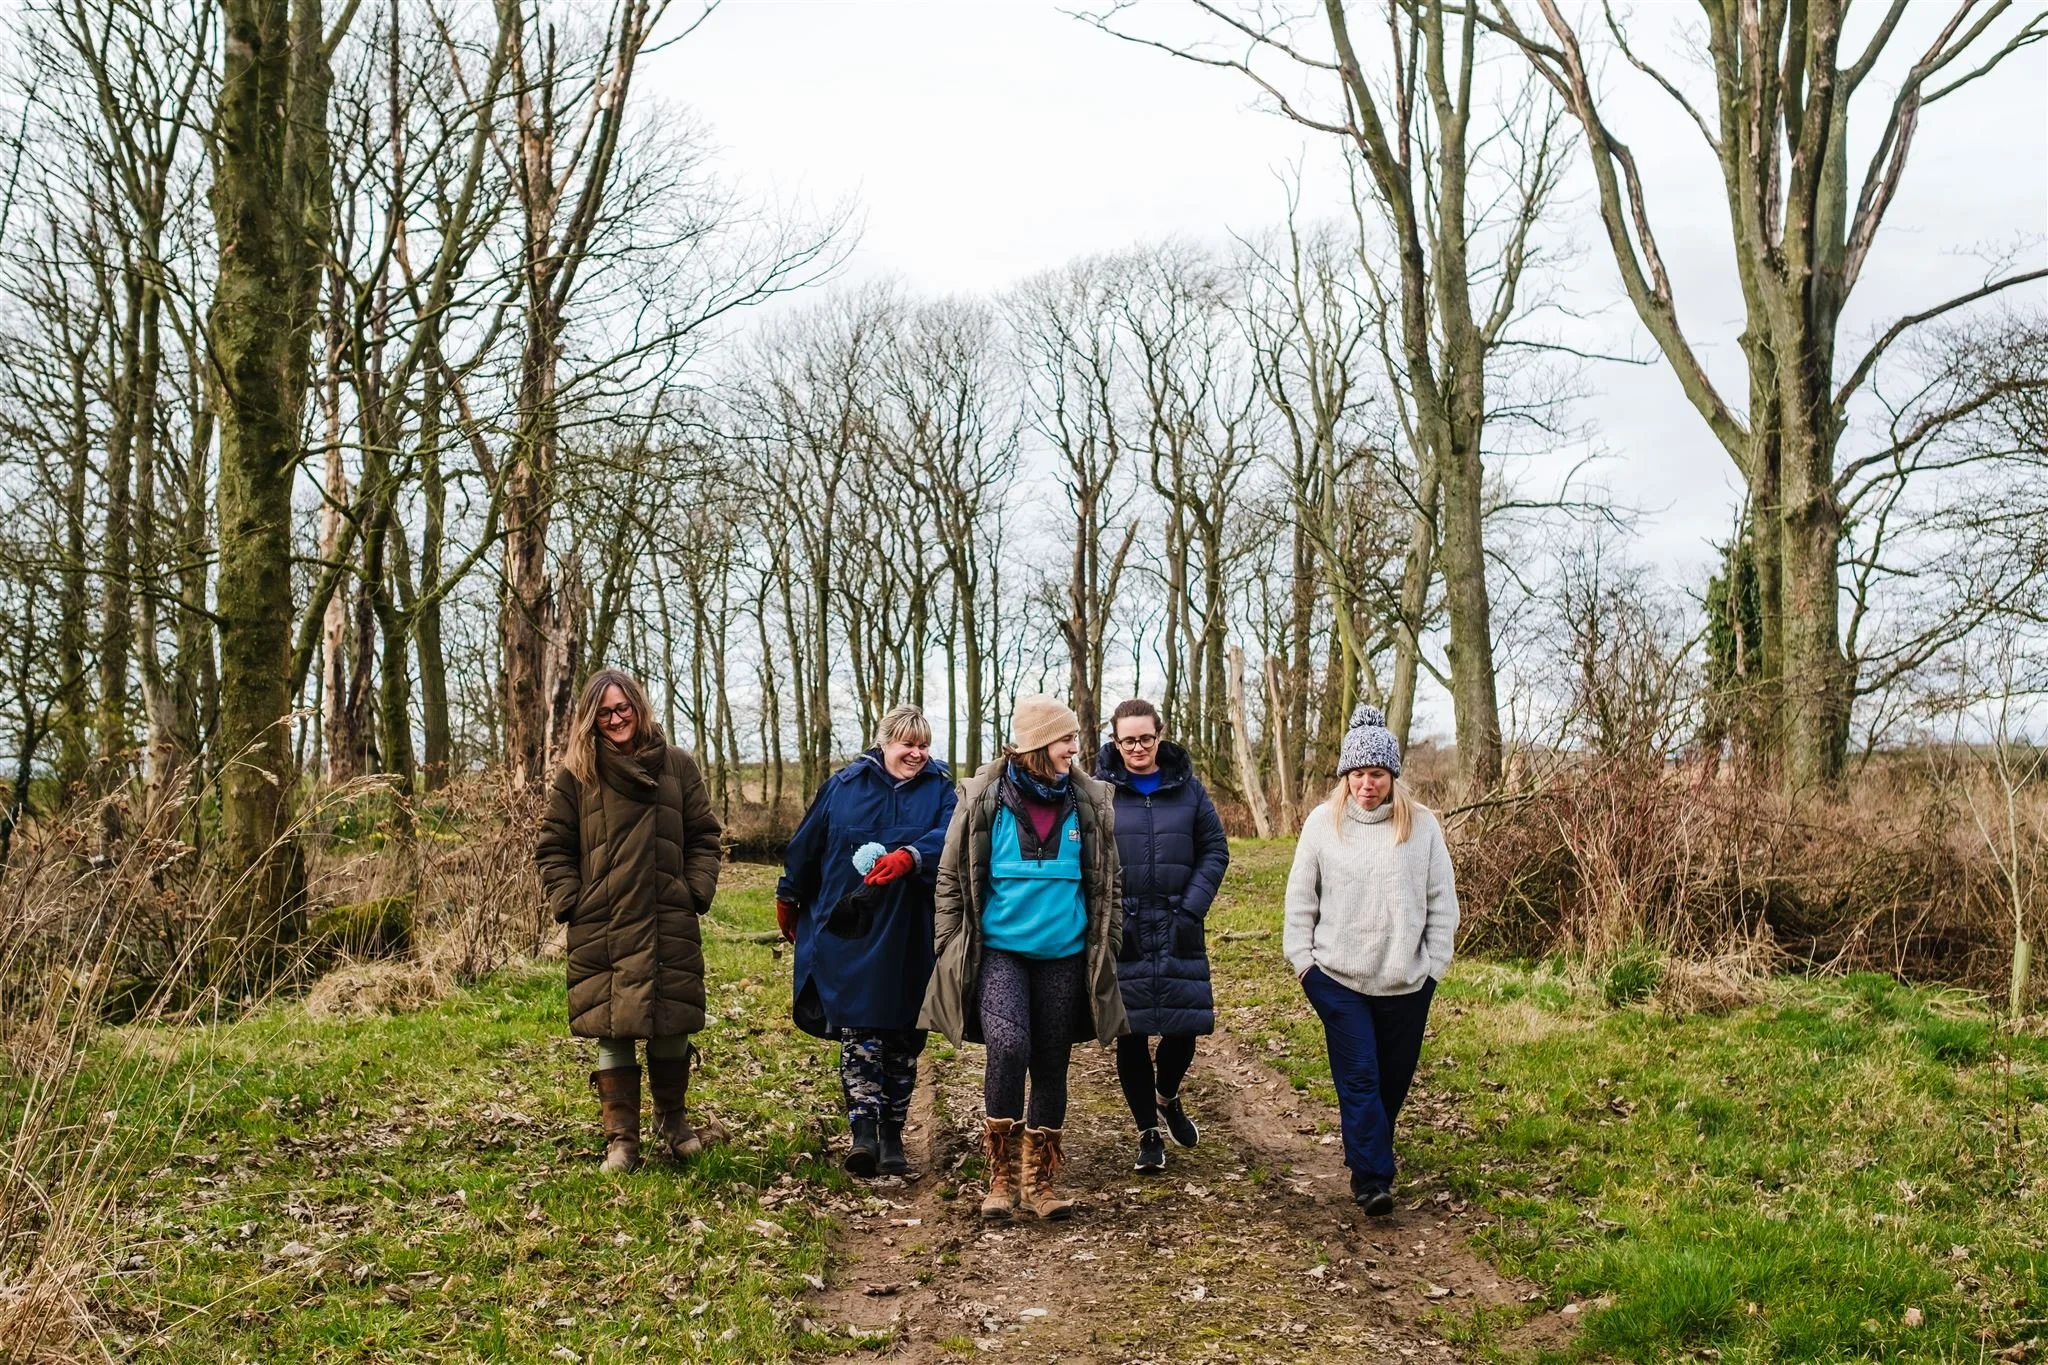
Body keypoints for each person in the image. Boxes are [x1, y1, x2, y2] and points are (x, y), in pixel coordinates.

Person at [919, 694, 1127, 1222]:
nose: (1075, 750)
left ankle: (1041, 1182)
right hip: (1000, 954)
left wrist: (1112, 944)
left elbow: (1110, 883)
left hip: (1065, 954)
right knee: (1009, 1047)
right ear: (1037, 744)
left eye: (1075, 740)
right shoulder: (984, 799)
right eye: (1066, 740)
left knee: (1052, 1062)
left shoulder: (1089, 802)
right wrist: (949, 945)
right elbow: (948, 879)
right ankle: (1001, 1172)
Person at [535, 667, 725, 1174]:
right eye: (604, 712)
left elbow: (706, 837)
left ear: (638, 709)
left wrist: (694, 892)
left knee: (671, 1024)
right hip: (604, 921)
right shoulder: (577, 774)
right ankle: (621, 1140)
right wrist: (574, 900)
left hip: (667, 918)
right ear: (589, 720)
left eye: (623, 708)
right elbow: (553, 847)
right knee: (612, 1028)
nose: (616, 719)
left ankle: (675, 1123)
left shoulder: (679, 767)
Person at [1282, 704, 1459, 1216]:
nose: (1367, 784)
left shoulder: (1422, 826)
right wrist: (1303, 962)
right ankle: (1372, 1178)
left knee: (1391, 1081)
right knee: (1359, 1075)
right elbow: (1301, 899)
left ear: (1392, 776)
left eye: (1377, 774)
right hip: (1337, 977)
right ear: (1345, 776)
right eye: (1358, 774)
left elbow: (1442, 902)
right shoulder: (1322, 823)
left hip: (1407, 979)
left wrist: (1434, 969)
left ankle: (1369, 1150)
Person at [775, 705, 957, 1178]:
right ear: (884, 744)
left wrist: (913, 855)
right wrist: (789, 893)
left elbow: (954, 838)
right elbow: (807, 843)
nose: (915, 753)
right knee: (859, 1031)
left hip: (911, 929)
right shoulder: (844, 787)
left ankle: (894, 1134)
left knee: (901, 1034)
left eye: (922, 745)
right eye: (906, 745)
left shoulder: (941, 790)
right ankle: (863, 1133)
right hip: (851, 926)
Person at [1094, 699, 1229, 1174]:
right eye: (1128, 740)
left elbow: (1215, 849)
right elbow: (1089, 859)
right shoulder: (1098, 792)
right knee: (1131, 1035)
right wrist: (1108, 915)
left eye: (1146, 738)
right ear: (1115, 741)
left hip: (1178, 925)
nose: (1137, 748)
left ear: (1160, 736)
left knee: (1184, 1028)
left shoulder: (1189, 790)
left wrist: (1191, 909)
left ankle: (1167, 1097)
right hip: (1124, 930)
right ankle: (1147, 1133)